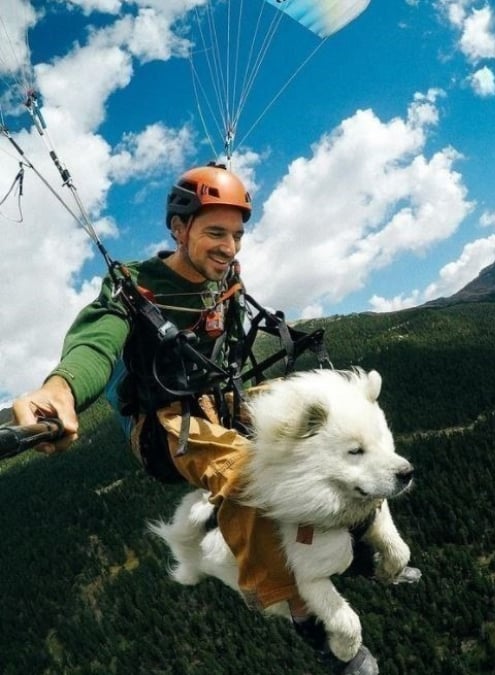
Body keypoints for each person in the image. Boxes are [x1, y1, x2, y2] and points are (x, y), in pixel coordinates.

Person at [12, 163, 310, 618]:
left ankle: (354, 536)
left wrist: (257, 414)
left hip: (219, 400)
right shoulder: (134, 285)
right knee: (243, 470)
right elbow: (97, 342)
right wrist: (61, 391)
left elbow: (229, 352)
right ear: (179, 229)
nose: (229, 248)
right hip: (161, 423)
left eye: (237, 235)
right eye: (215, 232)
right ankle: (302, 610)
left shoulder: (226, 281)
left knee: (317, 413)